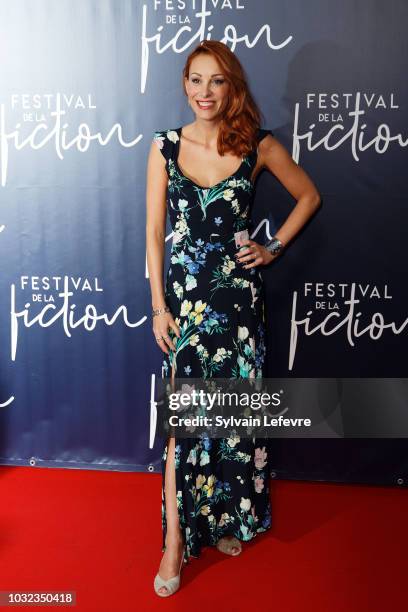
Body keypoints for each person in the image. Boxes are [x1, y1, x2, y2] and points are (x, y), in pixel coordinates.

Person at [146, 40, 321, 597]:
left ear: (232, 88)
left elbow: (308, 195)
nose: (205, 93)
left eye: (217, 82)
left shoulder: (257, 145)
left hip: (240, 305)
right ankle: (175, 542)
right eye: (196, 81)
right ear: (184, 85)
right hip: (186, 307)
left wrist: (272, 249)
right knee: (183, 426)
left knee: (229, 419)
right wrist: (158, 307)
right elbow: (153, 235)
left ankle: (225, 518)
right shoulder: (165, 147)